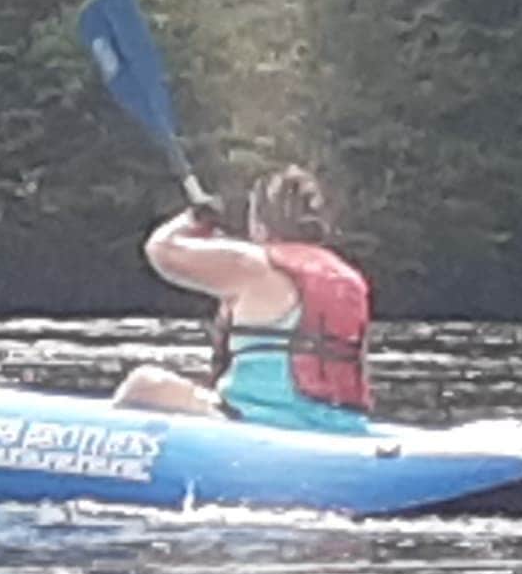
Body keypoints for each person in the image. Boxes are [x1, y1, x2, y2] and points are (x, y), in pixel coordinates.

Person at [113, 164, 376, 433]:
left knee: (143, 384)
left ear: (259, 224)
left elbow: (161, 250)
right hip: (344, 425)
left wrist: (196, 218)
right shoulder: (350, 279)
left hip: (259, 420)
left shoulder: (253, 264)